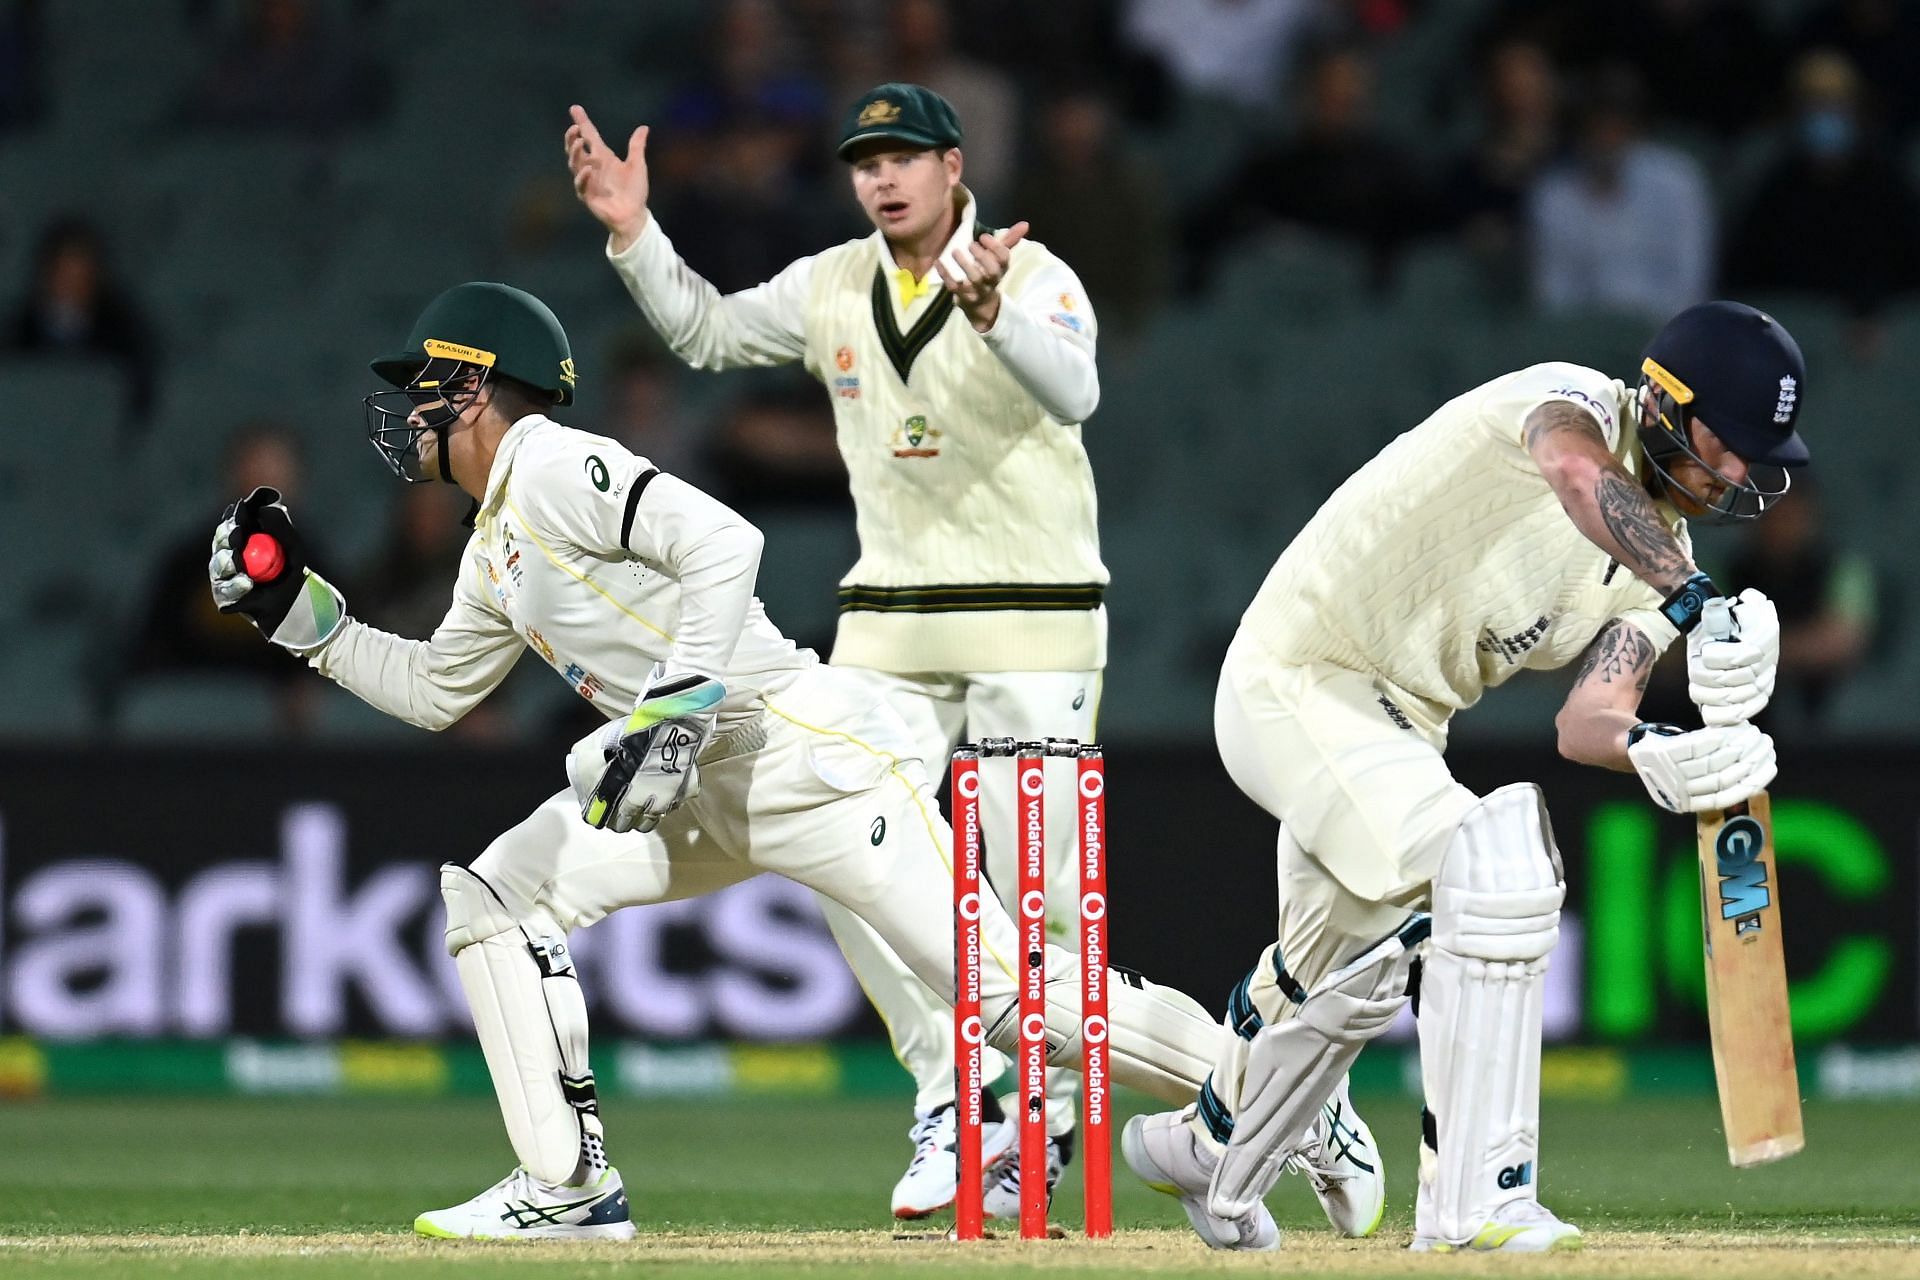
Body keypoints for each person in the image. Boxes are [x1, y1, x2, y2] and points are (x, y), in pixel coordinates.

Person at [204, 281, 1225, 1241]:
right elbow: (436, 692)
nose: (408, 408)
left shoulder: (556, 463)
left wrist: (679, 702)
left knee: (1007, 1004)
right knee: (496, 895)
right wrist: (303, 620)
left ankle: (1262, 1088)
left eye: (422, 383)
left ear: (472, 381)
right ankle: (567, 1186)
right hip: (689, 782)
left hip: (797, 750)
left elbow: (727, 542)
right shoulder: (492, 542)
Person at [564, 84, 1149, 1225]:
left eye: (902, 158)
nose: (881, 178)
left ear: (953, 165)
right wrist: (634, 231)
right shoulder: (833, 279)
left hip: (1034, 605)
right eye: (863, 161)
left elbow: (1078, 390)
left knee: (1048, 886)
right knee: (840, 838)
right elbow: (706, 330)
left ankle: (1059, 1093)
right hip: (887, 611)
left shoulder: (1031, 274)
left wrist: (992, 316)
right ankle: (951, 1089)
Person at [1122, 300, 1806, 1252]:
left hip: (1400, 730)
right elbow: (1576, 474)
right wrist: (1693, 596)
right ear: (1661, 403)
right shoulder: (1566, 404)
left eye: (1753, 456)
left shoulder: (1664, 567)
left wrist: (1663, 750)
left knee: (1329, 978)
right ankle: (1477, 1207)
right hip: (1301, 678)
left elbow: (1588, 721)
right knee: (1493, 866)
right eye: (1725, 441)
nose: (1737, 471)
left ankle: (1206, 1145)